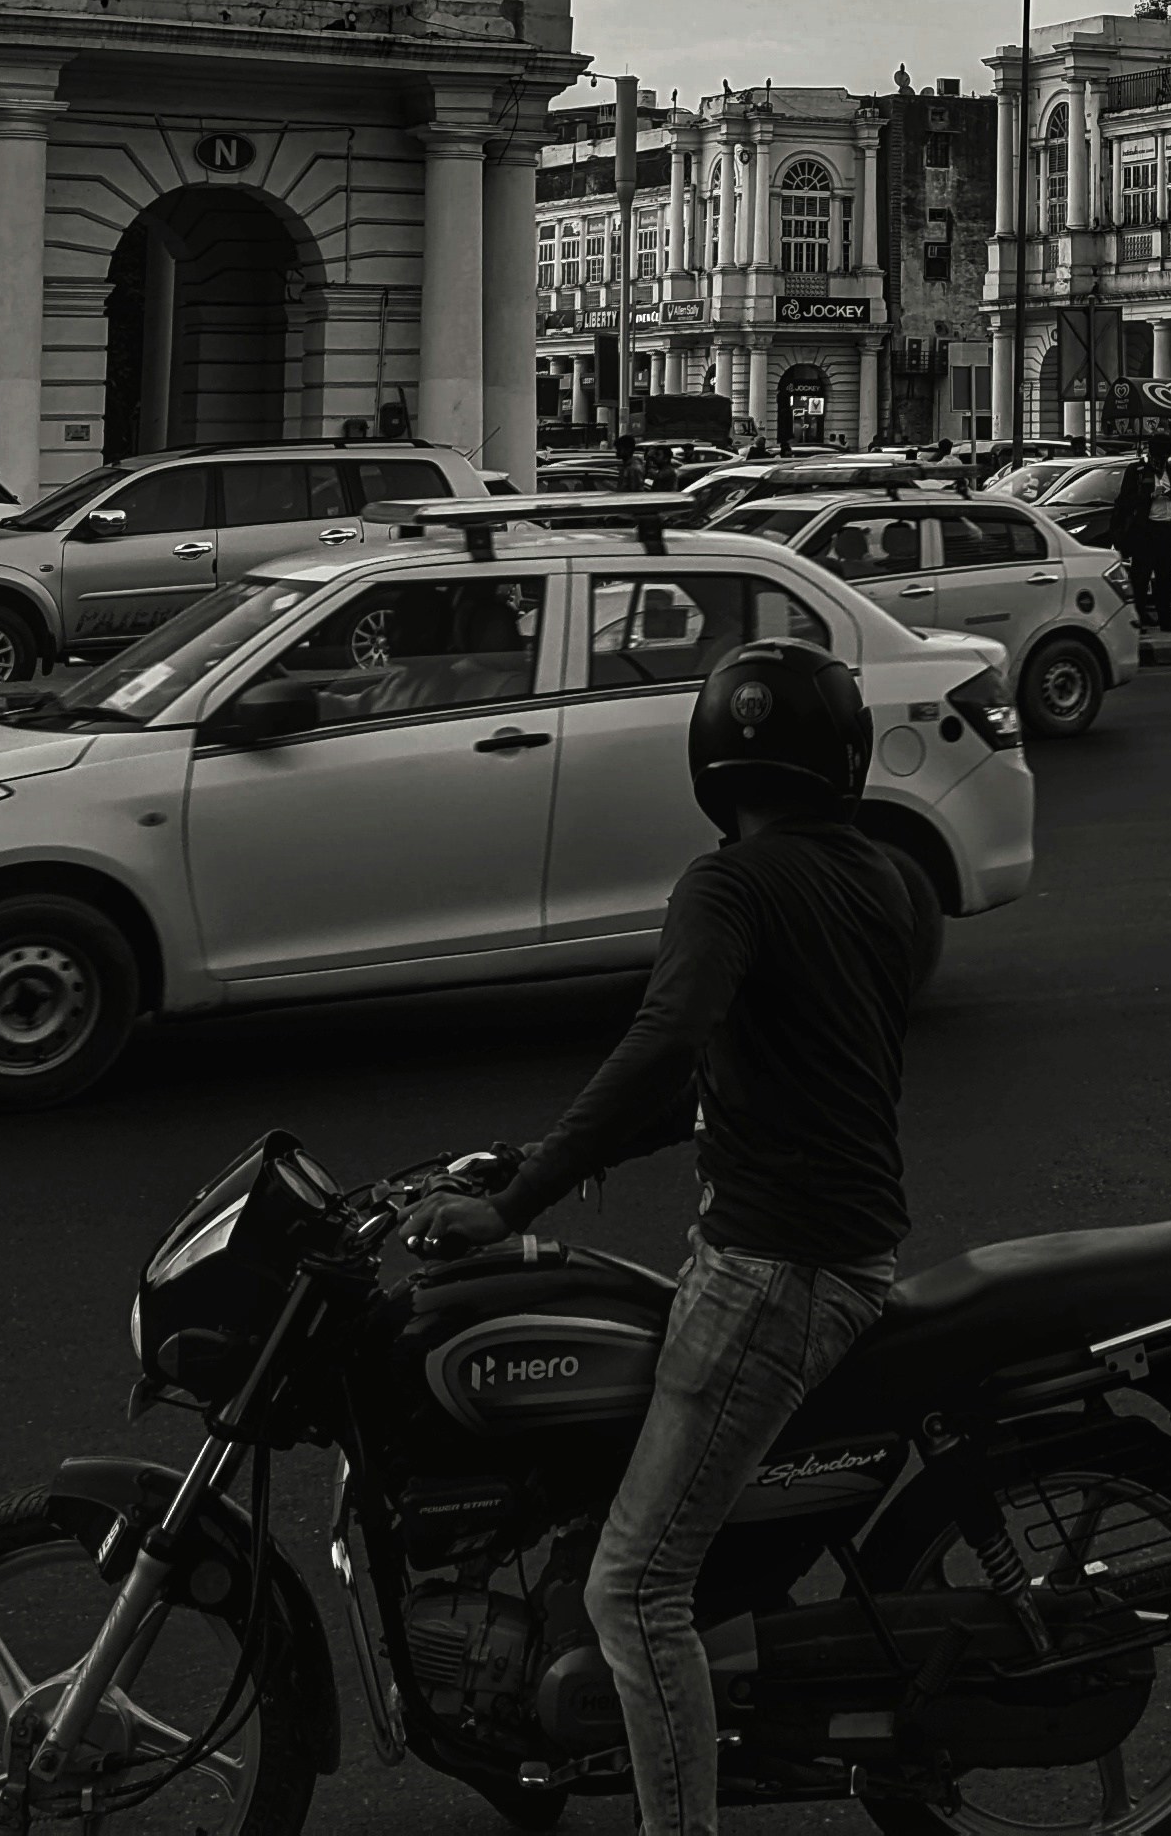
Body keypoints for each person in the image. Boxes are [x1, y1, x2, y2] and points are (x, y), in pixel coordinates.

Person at [415, 642, 941, 1835]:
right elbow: (750, 1073)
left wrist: (516, 1203)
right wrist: (549, 1157)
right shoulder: (880, 882)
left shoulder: (730, 885)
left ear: (712, 758)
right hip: (828, 1254)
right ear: (845, 758)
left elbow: (669, 1038)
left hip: (773, 1271)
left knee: (635, 1588)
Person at [1117, 436, 1171, 632]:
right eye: (1161, 457)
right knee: (1141, 578)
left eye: (1166, 457)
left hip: (1167, 529)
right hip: (1145, 531)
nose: (1163, 461)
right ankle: (1139, 618)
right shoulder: (1137, 471)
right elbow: (1125, 500)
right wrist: (1149, 496)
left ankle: (1166, 620)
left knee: (1165, 578)